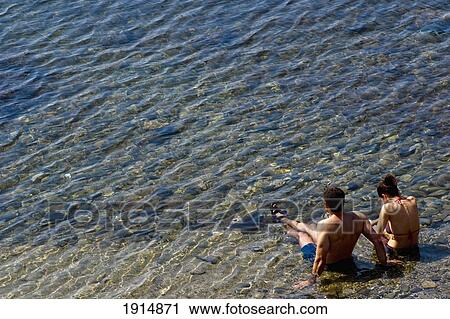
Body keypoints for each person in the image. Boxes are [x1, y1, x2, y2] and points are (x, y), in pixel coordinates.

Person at [273, 186, 387, 290]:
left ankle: (285, 226)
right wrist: (384, 263)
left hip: (330, 266)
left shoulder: (325, 225)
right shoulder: (359, 217)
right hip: (347, 259)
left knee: (302, 235)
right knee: (310, 228)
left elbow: (320, 259)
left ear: (326, 205)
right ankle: (283, 219)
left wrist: (311, 280)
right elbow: (377, 241)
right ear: (343, 202)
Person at [373, 174, 420, 257]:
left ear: (384, 196)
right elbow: (402, 218)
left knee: (373, 229)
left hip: (397, 249)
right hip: (414, 246)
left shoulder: (387, 207)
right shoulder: (412, 200)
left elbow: (378, 234)